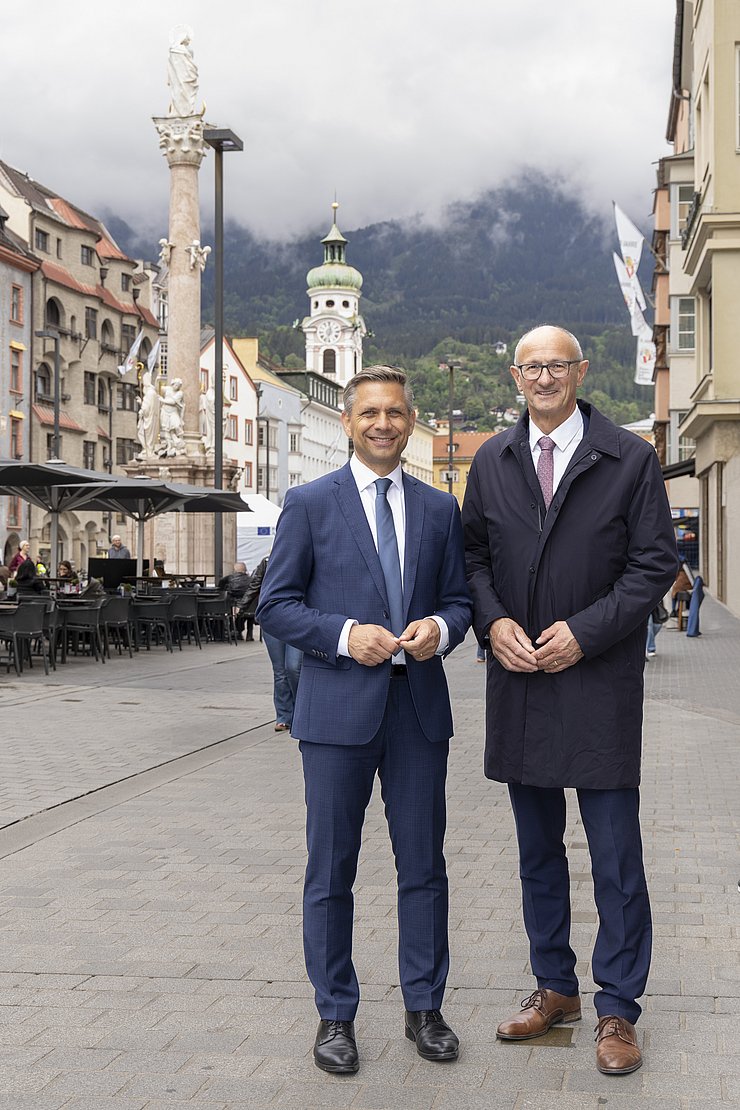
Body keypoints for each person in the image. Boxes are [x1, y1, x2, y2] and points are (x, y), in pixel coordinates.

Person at [462, 326, 677, 1076]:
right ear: (515, 375)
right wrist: (494, 624)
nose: (545, 376)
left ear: (581, 372)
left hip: (597, 680)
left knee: (617, 855)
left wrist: (584, 634)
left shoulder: (630, 458)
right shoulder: (492, 459)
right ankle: (555, 986)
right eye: (532, 366)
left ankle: (617, 1005)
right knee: (536, 852)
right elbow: (474, 557)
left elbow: (656, 563)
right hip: (520, 678)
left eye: (558, 365)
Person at [257, 366, 472, 1075]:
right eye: (371, 412)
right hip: (337, 708)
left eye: (396, 412)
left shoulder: (440, 510)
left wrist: (441, 628)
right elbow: (277, 604)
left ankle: (425, 1007)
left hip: (416, 710)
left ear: (411, 422)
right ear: (350, 423)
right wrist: (346, 634)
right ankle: (335, 1015)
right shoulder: (310, 502)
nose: (384, 423)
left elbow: (459, 601)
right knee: (331, 870)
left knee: (424, 867)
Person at [244, 555, 301, 726]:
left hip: (297, 619)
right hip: (273, 619)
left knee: (294, 667)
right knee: (280, 671)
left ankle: (302, 710)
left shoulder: (302, 555)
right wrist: (241, 605)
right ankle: (284, 716)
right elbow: (255, 584)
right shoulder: (267, 561)